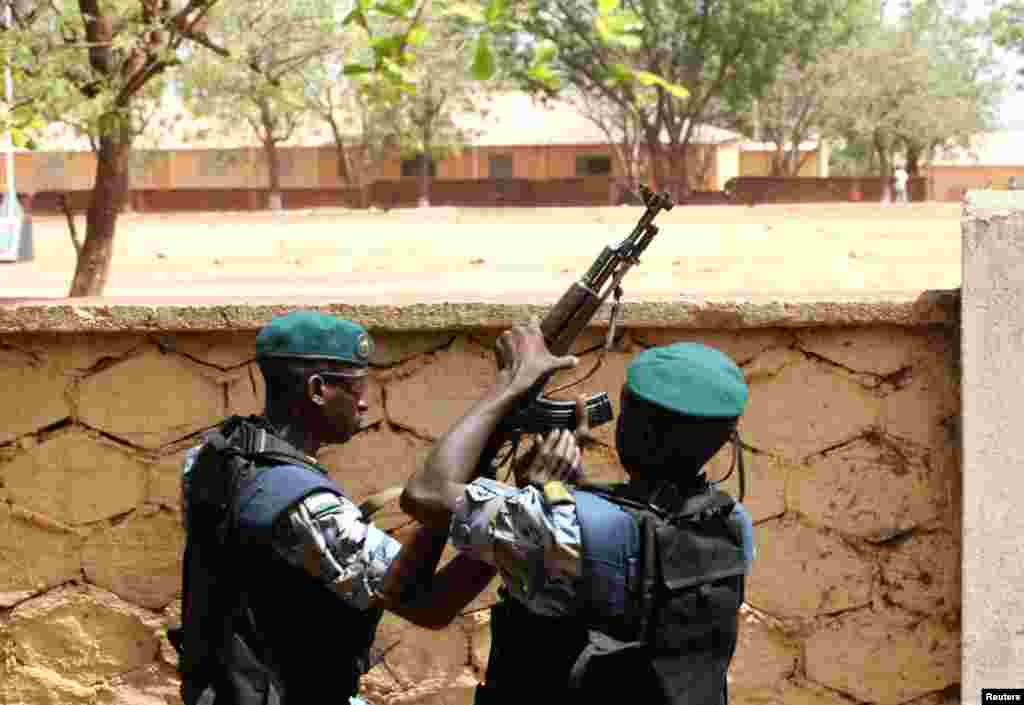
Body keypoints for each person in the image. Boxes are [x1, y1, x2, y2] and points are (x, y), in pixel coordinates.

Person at [401, 317, 756, 705]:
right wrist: (557, 494)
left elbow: (424, 493)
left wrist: (509, 385)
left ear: (629, 425)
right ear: (725, 439)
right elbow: (627, 553)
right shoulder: (733, 525)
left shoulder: (561, 526)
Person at [175, 311, 497, 705]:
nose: (364, 403)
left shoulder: (213, 456)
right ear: (317, 389)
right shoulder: (306, 506)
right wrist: (515, 527)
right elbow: (429, 604)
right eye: (356, 388)